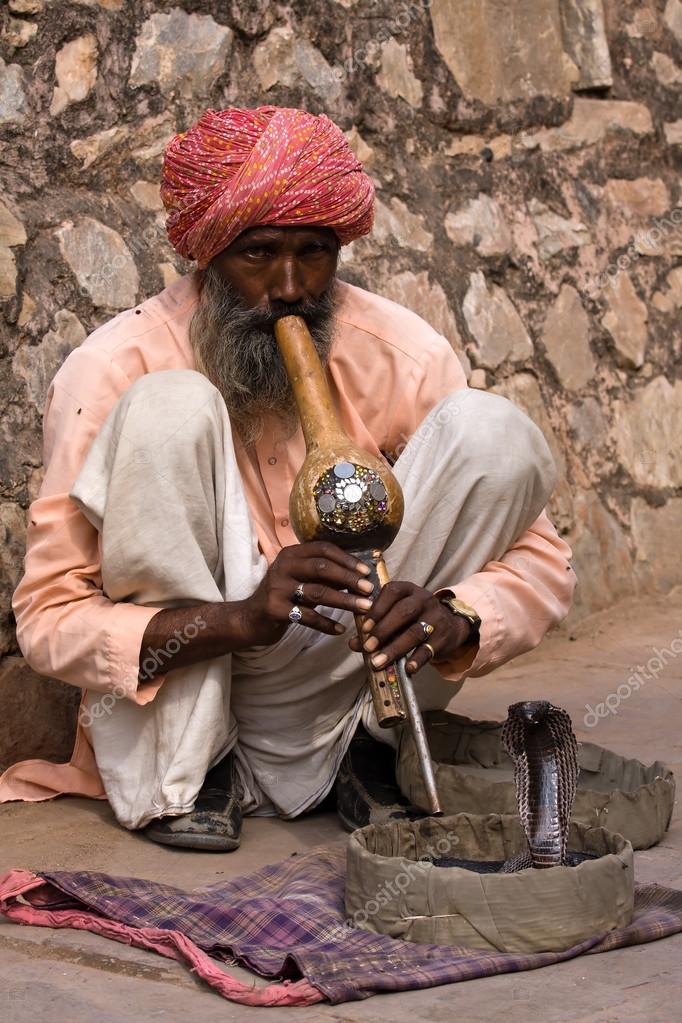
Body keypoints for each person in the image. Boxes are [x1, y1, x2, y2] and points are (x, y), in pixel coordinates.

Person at [0, 106, 575, 850]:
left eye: (315, 251)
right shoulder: (116, 367)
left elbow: (543, 562)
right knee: (170, 408)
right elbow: (47, 617)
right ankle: (198, 769)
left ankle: (372, 748)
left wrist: (454, 616)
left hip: (343, 677)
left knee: (494, 432)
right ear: (206, 255)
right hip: (194, 684)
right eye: (258, 253)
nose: (290, 286)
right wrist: (240, 618)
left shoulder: (398, 352)